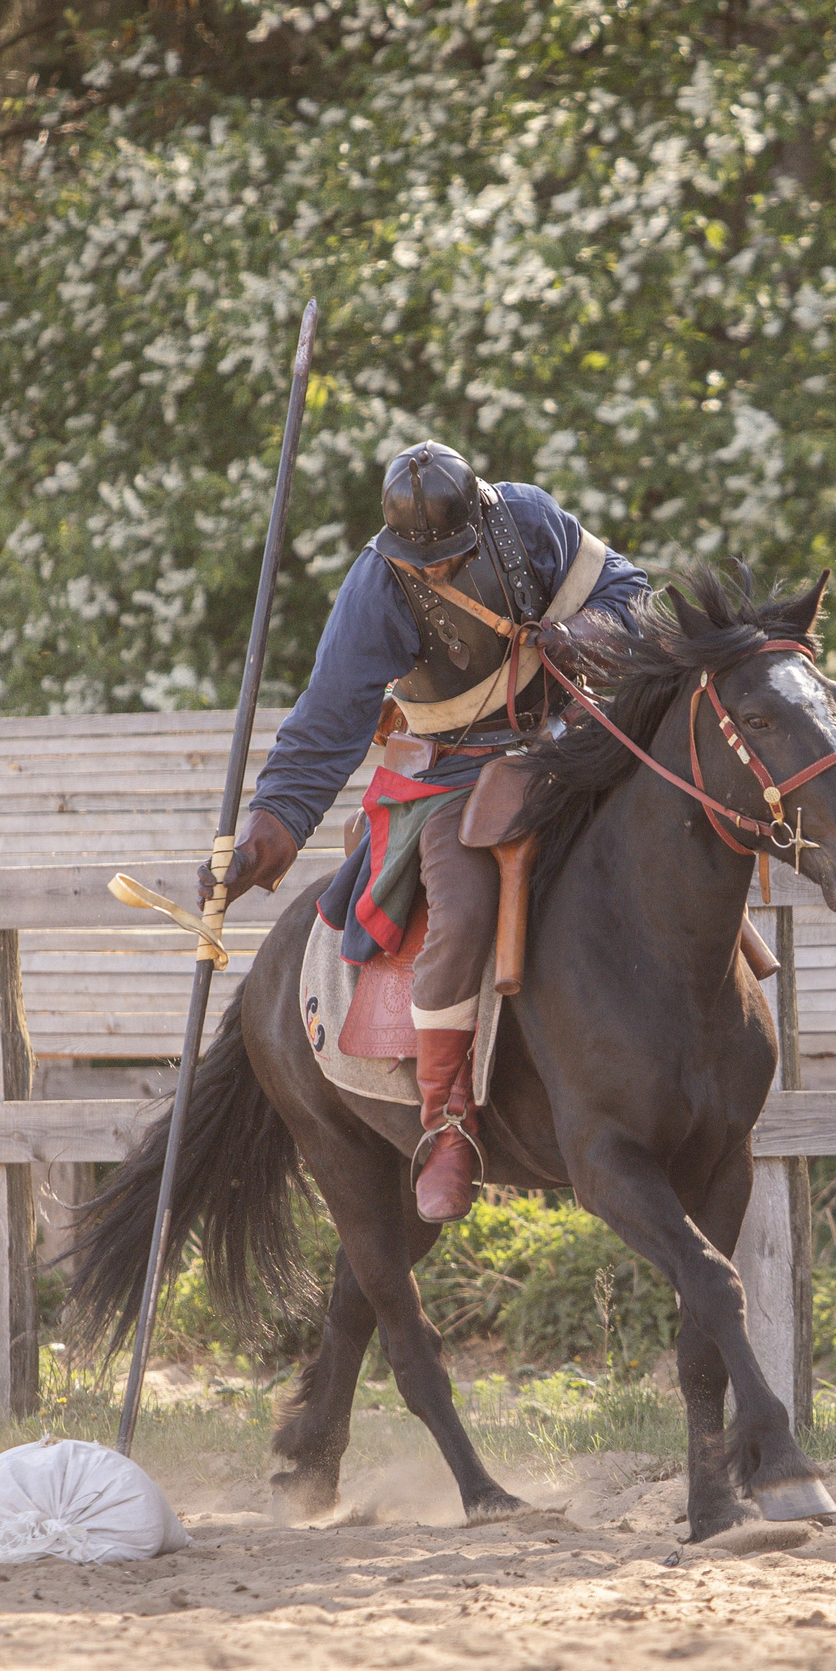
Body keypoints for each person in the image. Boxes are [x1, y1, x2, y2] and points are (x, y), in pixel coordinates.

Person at [199, 441, 648, 1220]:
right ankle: (446, 1125)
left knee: (666, 831)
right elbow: (328, 718)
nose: (434, 573)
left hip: (571, 747)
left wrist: (589, 636)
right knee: (465, 903)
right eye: (422, 562)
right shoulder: (379, 581)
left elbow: (632, 594)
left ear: (479, 518)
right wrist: (261, 843)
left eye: (448, 559)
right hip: (452, 775)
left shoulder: (529, 518)